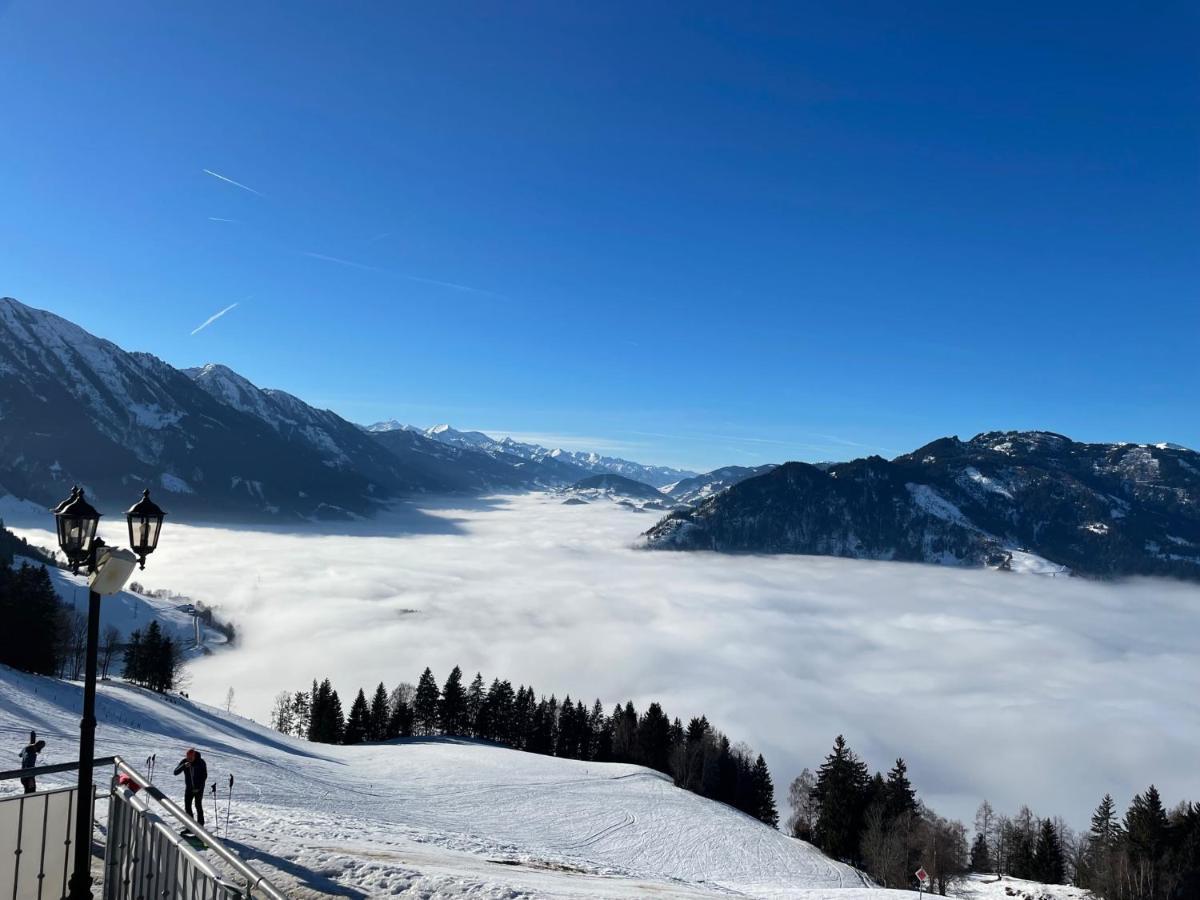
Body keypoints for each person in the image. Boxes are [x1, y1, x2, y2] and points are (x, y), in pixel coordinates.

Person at [172, 748, 208, 828]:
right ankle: (190, 826)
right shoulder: (185, 762)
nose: (189, 759)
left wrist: (198, 787)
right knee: (187, 806)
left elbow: (204, 776)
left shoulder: (201, 762)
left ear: (194, 756)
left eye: (191, 758)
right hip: (189, 788)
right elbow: (175, 772)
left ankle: (200, 826)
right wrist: (183, 766)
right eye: (188, 758)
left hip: (199, 788)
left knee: (198, 805)